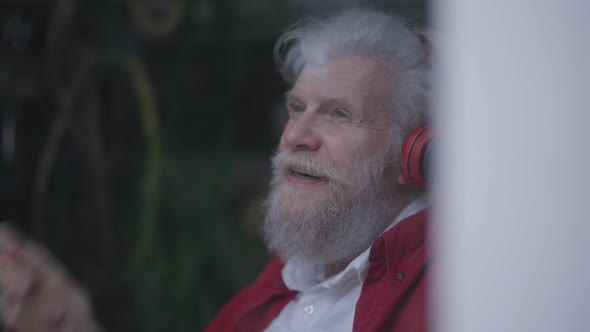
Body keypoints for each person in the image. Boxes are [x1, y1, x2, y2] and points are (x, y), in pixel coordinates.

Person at [0, 7, 431, 332]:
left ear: (413, 151)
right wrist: (69, 317)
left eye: (337, 114)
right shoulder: (277, 288)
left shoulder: (457, 289)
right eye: (296, 108)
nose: (296, 134)